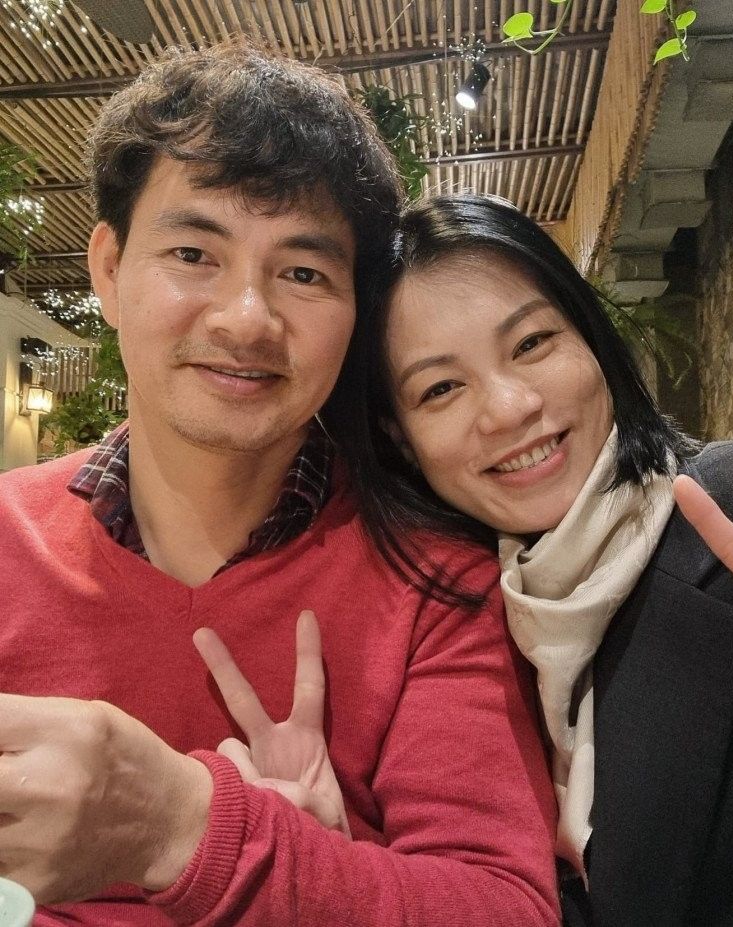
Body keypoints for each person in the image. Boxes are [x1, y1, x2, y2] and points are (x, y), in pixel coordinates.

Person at [0, 55, 561, 925]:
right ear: (108, 269)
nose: (247, 318)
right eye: (193, 253)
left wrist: (186, 828)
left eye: (303, 273)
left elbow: (505, 907)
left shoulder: (434, 582)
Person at [313, 194, 733, 927]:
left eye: (531, 343)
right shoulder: (456, 632)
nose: (508, 407)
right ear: (399, 439)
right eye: (441, 388)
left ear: (589, 337)